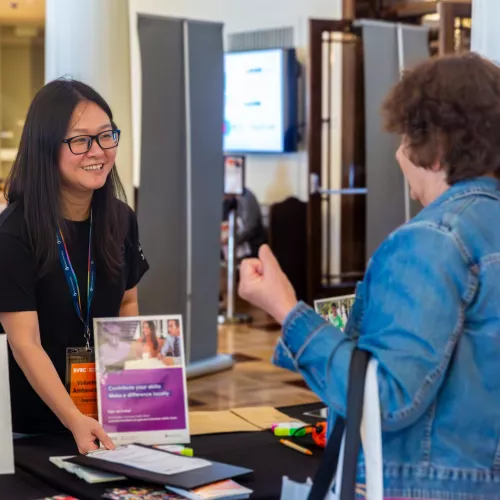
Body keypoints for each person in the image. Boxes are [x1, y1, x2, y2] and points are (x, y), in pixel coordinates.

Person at [239, 52, 500, 498]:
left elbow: (384, 398)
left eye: (404, 139)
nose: (399, 155)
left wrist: (285, 309)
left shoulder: (431, 240)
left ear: (434, 148)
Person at [0, 79, 149, 454]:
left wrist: (131, 400)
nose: (97, 151)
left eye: (106, 136)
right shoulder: (15, 232)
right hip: (27, 428)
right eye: (80, 140)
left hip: (101, 418)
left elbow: (127, 306)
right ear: (46, 147)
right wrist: (73, 418)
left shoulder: (120, 219)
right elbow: (24, 342)